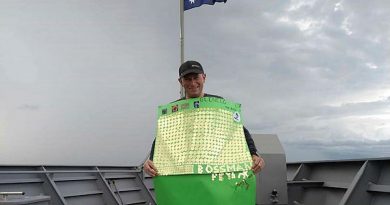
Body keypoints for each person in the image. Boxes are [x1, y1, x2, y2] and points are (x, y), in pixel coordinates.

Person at [143, 60, 265, 177]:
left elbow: (239, 131)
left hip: (214, 171)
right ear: (181, 82)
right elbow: (162, 138)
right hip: (184, 171)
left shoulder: (218, 104)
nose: (192, 83)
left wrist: (254, 154)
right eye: (187, 79)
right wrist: (151, 160)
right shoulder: (174, 110)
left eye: (196, 78)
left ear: (204, 77)